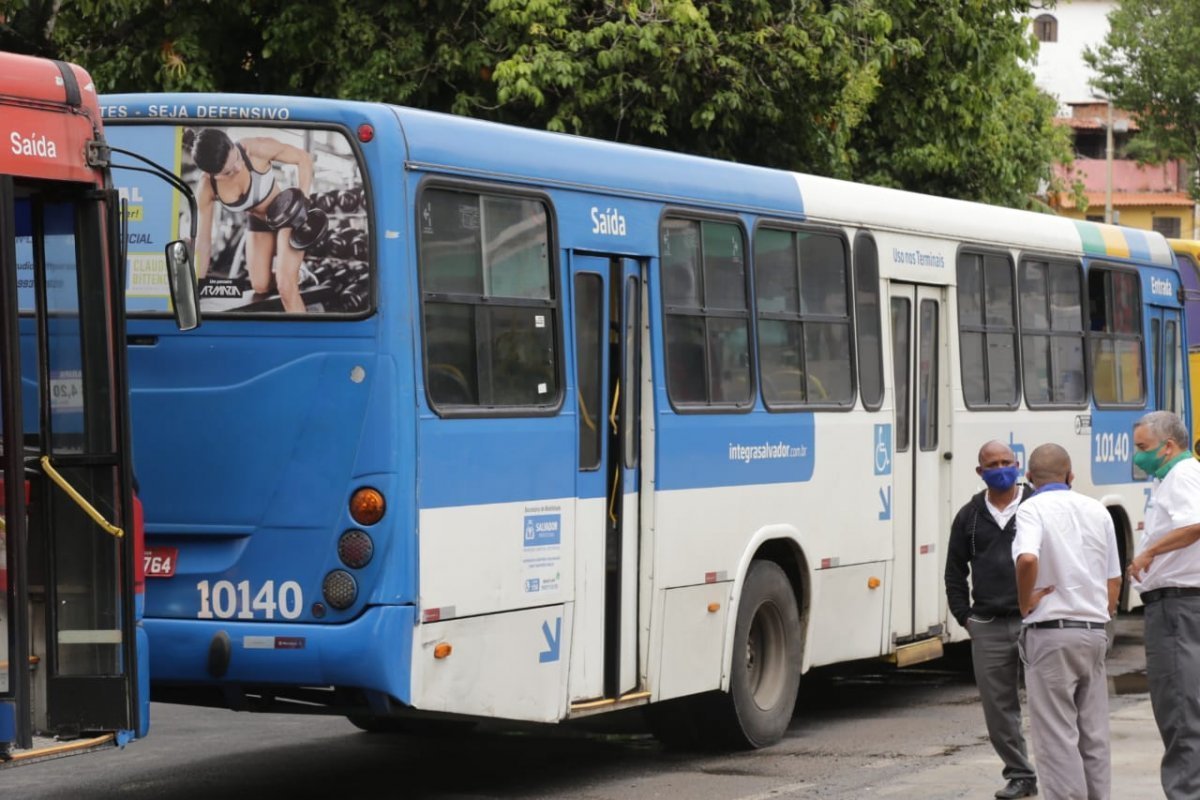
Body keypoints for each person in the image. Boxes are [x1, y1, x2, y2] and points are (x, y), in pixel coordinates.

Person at [1013, 443, 1121, 800]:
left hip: (1051, 633)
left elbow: (1027, 559)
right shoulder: (1097, 510)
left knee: (1057, 737)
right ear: (1070, 475)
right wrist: (1104, 613)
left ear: (1029, 479)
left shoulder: (1031, 510)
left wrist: (1024, 601)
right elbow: (1114, 580)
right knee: (1093, 732)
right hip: (1094, 632)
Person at [945, 440, 1037, 800]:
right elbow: (954, 571)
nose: (1001, 468)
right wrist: (964, 617)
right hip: (988, 625)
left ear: (1017, 464)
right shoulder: (968, 517)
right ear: (980, 472)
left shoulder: (1035, 506)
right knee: (999, 708)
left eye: (1006, 462)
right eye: (992, 464)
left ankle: (1063, 771)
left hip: (1035, 622)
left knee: (1048, 703)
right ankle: (1020, 776)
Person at [1127, 410, 1200, 800]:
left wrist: (1148, 553)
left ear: (1168, 446)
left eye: (1143, 448)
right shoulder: (1175, 476)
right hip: (1179, 606)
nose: (1138, 457)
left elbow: (1195, 524)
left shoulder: (1182, 475)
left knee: (1180, 712)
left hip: (1177, 609)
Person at [189, 128, 314, 313]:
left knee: (286, 288)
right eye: (229, 171)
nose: (238, 168)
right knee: (261, 286)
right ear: (211, 174)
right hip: (257, 224)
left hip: (287, 217)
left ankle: (305, 341)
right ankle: (301, 275)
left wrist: (302, 201)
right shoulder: (207, 187)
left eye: (237, 158)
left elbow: (303, 158)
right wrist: (195, 286)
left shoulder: (256, 148)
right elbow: (204, 242)